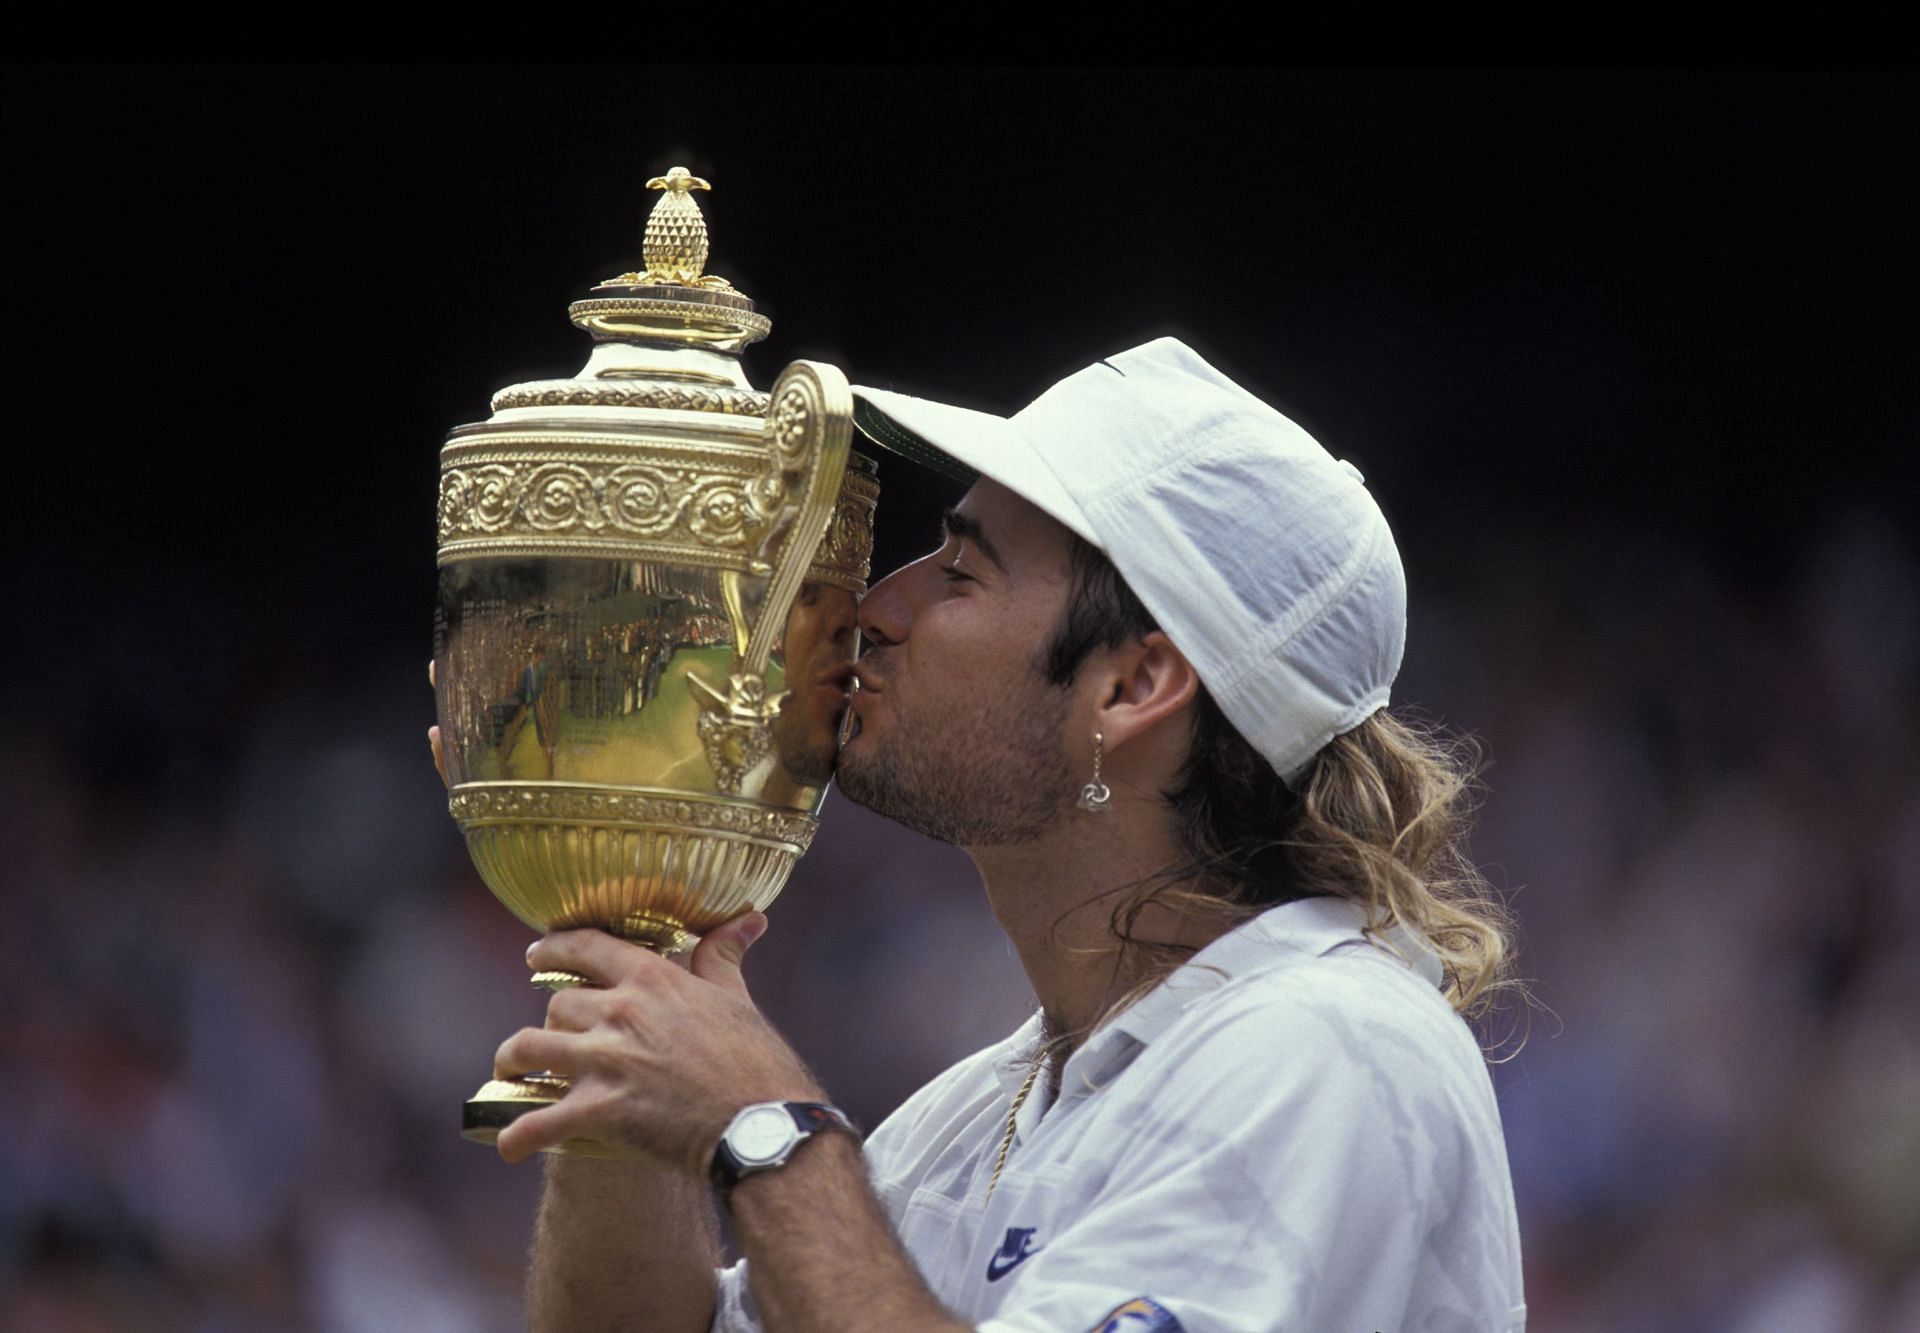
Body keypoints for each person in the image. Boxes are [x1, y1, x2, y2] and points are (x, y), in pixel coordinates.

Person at [480, 338, 1527, 1332]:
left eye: (959, 569)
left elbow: (776, 1148)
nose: (875, 608)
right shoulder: (983, 1114)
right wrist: (633, 960)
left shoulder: (1324, 1048)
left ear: (1131, 685)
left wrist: (762, 1123)